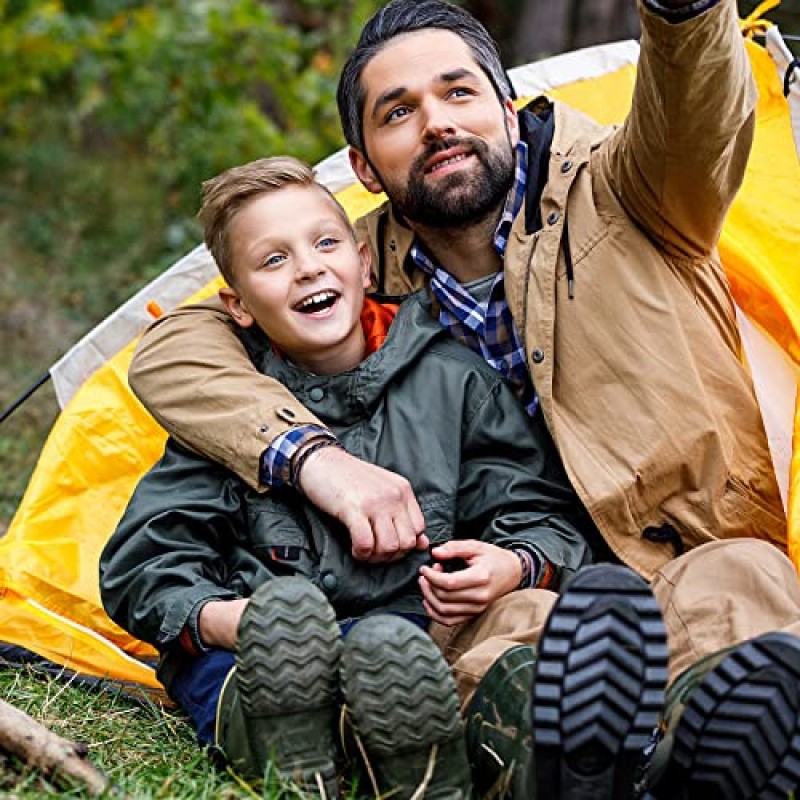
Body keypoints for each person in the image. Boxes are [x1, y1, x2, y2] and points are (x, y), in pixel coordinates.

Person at [124, 1, 800, 797]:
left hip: (673, 550)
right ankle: (610, 768)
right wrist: (318, 462)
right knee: (513, 641)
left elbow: (696, 120)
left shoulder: (638, 197)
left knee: (748, 577)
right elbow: (172, 348)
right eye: (399, 112)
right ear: (365, 167)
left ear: (508, 111)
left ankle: (712, 751)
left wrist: (683, 17)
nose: (436, 123)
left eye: (458, 93)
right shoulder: (352, 268)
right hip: (497, 586)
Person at [100, 156, 594, 798]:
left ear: (364, 263)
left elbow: (536, 510)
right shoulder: (227, 412)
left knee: (514, 623)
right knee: (219, 664)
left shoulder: (454, 381)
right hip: (265, 648)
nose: (307, 266)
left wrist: (513, 562)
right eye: (272, 261)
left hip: (416, 640)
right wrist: (229, 618)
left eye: (325, 243)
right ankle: (297, 748)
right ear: (238, 306)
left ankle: (521, 745)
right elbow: (146, 563)